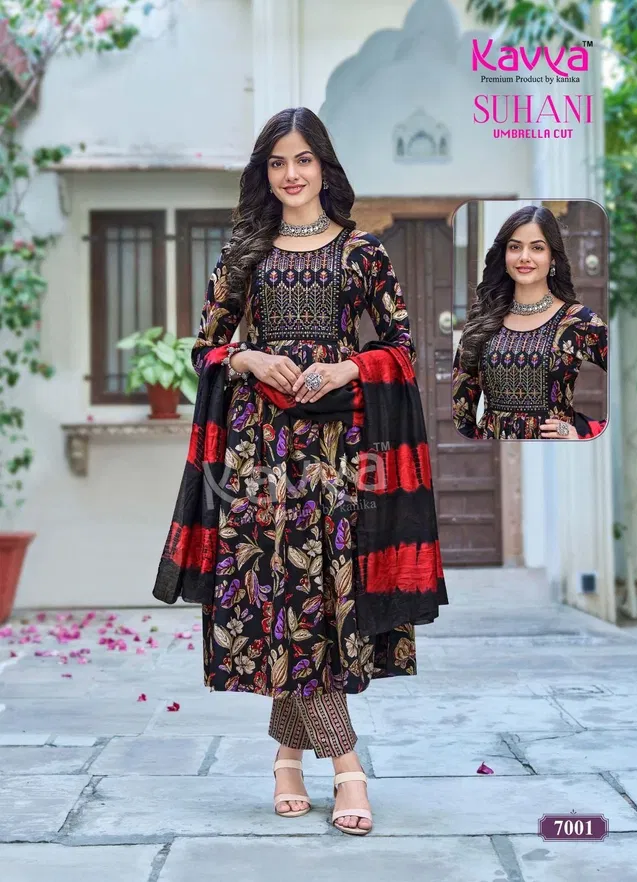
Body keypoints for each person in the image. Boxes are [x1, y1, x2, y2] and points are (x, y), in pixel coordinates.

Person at [152, 107, 448, 836]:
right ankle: (347, 765)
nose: (291, 173)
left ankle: (290, 757)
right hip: (256, 452)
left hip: (342, 452)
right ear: (265, 173)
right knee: (282, 591)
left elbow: (403, 348)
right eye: (278, 162)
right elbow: (205, 350)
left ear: (324, 167)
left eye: (303, 159)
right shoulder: (244, 256)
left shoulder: (362, 253)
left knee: (320, 592)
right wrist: (248, 357)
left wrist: (349, 365)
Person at [452, 205, 608, 440]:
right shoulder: (483, 322)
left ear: (552, 257)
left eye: (537, 247)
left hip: (555, 451)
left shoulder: (577, 321)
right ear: (504, 255)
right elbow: (460, 415)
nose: (524, 257)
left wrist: (583, 434)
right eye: (515, 247)